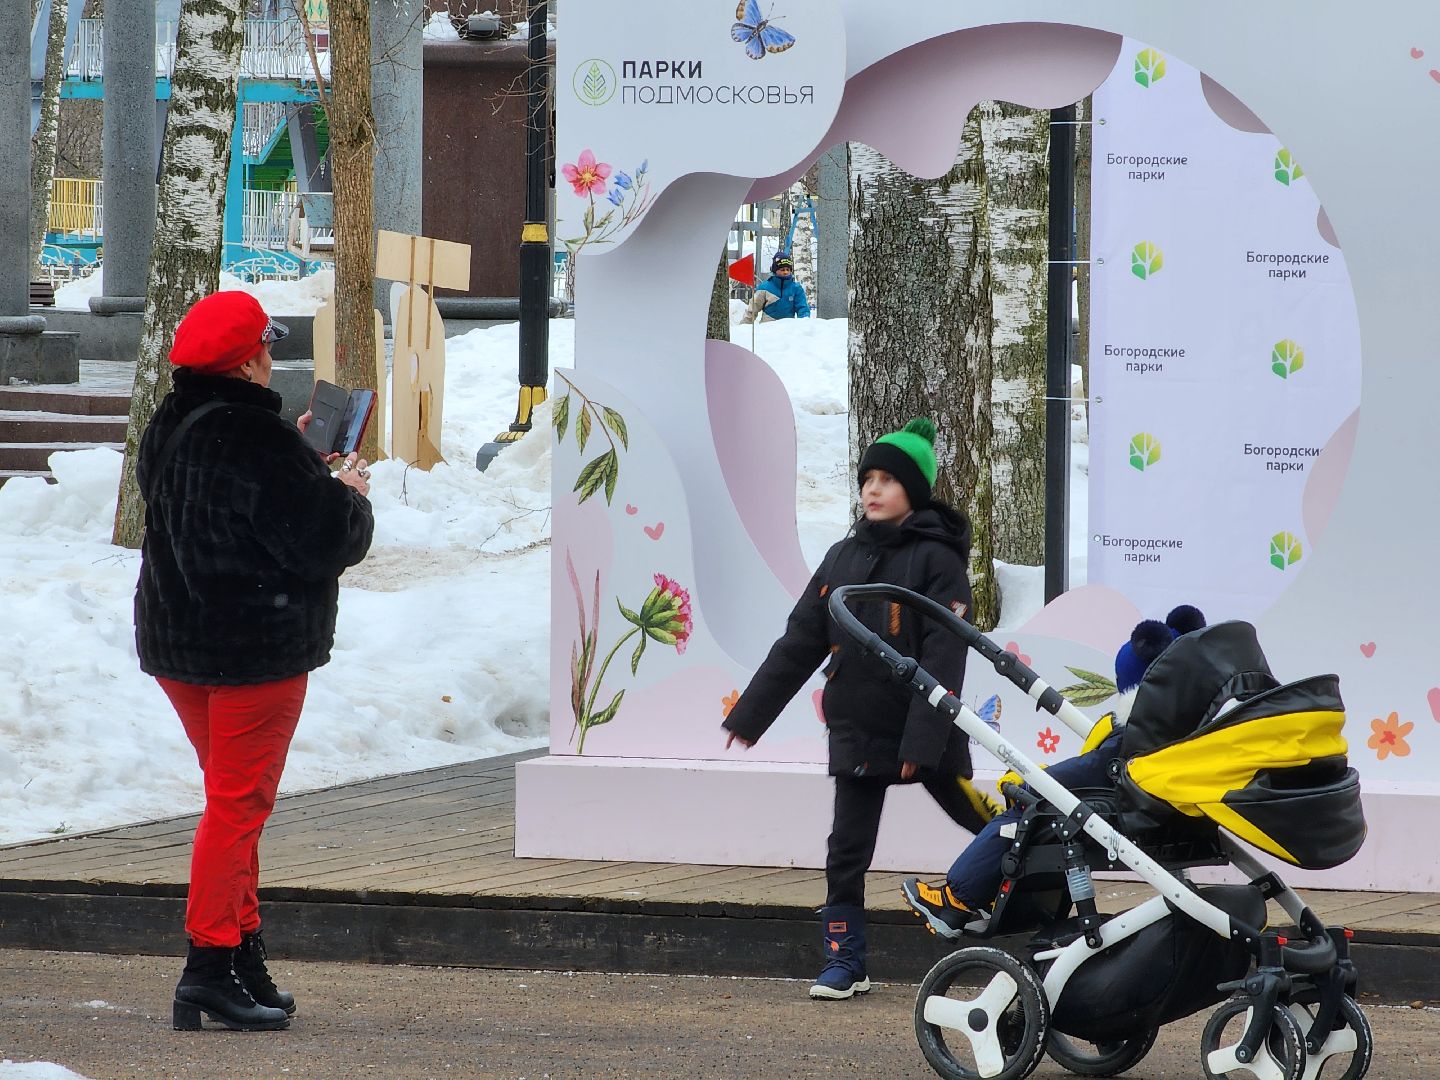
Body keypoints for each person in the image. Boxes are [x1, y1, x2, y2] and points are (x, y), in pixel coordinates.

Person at [134, 291, 375, 1032]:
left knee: (231, 805)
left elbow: (218, 509)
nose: (274, 354)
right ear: (248, 359)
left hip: (180, 646)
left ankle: (242, 956)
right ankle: (207, 967)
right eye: (267, 345)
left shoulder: (171, 422)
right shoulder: (259, 442)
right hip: (254, 652)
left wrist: (304, 462)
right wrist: (348, 493)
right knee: (238, 809)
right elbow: (326, 541)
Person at [722, 417, 997, 1000]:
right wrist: (750, 717)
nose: (872, 489)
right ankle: (845, 960)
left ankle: (1028, 907)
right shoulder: (841, 556)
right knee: (846, 850)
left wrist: (919, 747)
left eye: (887, 480)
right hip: (858, 731)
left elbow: (945, 660)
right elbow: (799, 641)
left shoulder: (937, 562)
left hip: (924, 735)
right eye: (867, 478)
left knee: (987, 826)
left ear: (914, 492)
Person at [901, 604, 1207, 938]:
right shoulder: (1172, 727)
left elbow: (1091, 770)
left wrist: (1031, 782)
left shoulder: (1133, 737)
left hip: (1114, 812)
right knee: (1034, 807)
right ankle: (983, 893)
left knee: (1021, 813)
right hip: (1156, 812)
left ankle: (956, 898)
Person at [741, 251, 811, 323]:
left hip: (788, 329)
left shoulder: (796, 288)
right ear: (775, 270)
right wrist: (743, 328)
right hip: (768, 328)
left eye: (788, 269)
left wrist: (804, 324)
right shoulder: (764, 288)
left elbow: (802, 308)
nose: (785, 272)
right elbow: (752, 310)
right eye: (782, 269)